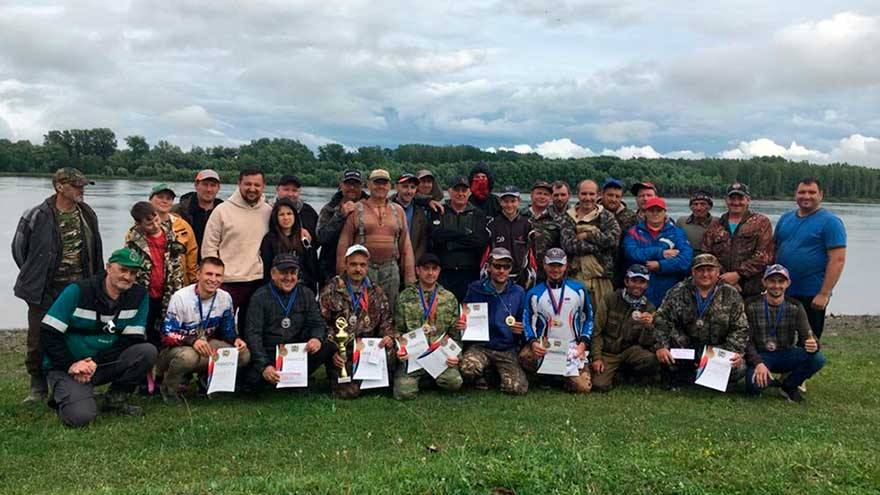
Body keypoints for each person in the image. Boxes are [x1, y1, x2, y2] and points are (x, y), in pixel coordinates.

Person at [13, 167, 103, 404]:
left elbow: (96, 250)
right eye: (76, 185)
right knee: (37, 338)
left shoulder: (87, 213)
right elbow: (19, 249)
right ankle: (37, 385)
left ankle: (75, 379)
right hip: (44, 289)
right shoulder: (36, 214)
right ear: (59, 186)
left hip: (78, 289)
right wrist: (36, 275)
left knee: (77, 335)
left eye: (83, 185)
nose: (81, 190)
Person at [41, 248, 157, 427]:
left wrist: (94, 362)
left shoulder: (139, 295)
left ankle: (116, 398)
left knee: (146, 351)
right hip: (68, 366)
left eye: (133, 273)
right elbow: (49, 333)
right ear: (108, 267)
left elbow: (132, 340)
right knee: (81, 418)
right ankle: (64, 393)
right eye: (123, 270)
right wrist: (72, 364)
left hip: (101, 364)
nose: (127, 277)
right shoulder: (78, 291)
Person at [158, 256, 250, 403]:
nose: (213, 279)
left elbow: (228, 330)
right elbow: (167, 334)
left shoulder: (225, 298)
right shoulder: (181, 297)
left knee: (243, 354)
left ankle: (207, 382)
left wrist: (235, 339)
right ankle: (168, 389)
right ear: (198, 274)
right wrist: (192, 341)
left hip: (205, 345)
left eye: (218, 275)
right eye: (209, 274)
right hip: (174, 350)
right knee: (189, 357)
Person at [653, 254, 749, 389]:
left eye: (710, 270)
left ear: (718, 272)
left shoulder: (731, 294)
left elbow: (740, 328)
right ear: (693, 272)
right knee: (664, 359)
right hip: (685, 347)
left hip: (715, 350)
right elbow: (661, 318)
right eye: (700, 270)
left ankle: (701, 377)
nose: (705, 274)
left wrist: (733, 352)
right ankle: (689, 376)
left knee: (739, 368)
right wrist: (662, 346)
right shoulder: (678, 291)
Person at [242, 254, 330, 392]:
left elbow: (317, 323)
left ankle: (298, 378)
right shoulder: (260, 297)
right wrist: (264, 365)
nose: (289, 278)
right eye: (284, 273)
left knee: (327, 344)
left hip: (298, 352)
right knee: (252, 384)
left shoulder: (306, 294)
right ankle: (276, 377)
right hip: (270, 352)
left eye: (293, 273)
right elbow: (253, 334)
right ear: (273, 273)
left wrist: (316, 338)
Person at [774, 178, 846, 340]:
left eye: (812, 192)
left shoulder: (831, 222)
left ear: (821, 195)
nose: (806, 196)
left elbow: (837, 260)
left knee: (808, 341)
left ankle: (808, 365)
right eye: (802, 192)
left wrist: (824, 293)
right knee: (780, 340)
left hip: (812, 293)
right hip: (782, 290)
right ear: (796, 195)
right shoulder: (785, 219)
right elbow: (775, 251)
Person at [201, 168, 272, 332]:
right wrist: (214, 277)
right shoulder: (222, 211)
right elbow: (209, 248)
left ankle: (248, 358)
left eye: (257, 185)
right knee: (219, 330)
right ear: (239, 183)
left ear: (263, 186)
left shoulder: (268, 211)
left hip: (257, 281)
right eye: (247, 184)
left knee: (251, 330)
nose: (252, 188)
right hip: (226, 282)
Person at [319, 245, 395, 399]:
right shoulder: (331, 289)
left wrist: (388, 337)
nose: (358, 269)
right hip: (343, 352)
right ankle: (352, 378)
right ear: (346, 264)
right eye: (353, 264)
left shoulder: (376, 292)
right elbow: (321, 324)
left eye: (362, 265)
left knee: (392, 354)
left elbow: (386, 321)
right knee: (348, 392)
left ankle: (375, 378)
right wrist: (332, 352)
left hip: (368, 351)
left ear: (367, 267)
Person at [744, 264, 825, 403]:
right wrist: (758, 363)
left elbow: (809, 336)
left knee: (818, 359)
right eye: (772, 281)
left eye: (781, 281)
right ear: (764, 282)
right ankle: (771, 381)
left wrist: (813, 344)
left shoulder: (795, 306)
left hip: (786, 353)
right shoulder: (750, 304)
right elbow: (745, 340)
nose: (776, 286)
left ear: (788, 283)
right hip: (762, 355)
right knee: (753, 387)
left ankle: (789, 385)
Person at [336, 169, 416, 309]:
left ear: (390, 186)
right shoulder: (356, 209)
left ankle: (388, 331)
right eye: (377, 182)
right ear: (369, 185)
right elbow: (343, 246)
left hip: (390, 269)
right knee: (362, 309)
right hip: (363, 269)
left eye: (384, 183)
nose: (381, 186)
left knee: (390, 310)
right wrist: (342, 278)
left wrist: (410, 280)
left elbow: (406, 248)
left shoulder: (398, 211)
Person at [520, 248, 593, 393]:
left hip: (572, 349)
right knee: (524, 357)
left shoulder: (578, 290)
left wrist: (583, 344)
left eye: (559, 265)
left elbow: (588, 318)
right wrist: (533, 342)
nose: (555, 269)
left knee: (583, 388)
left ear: (565, 266)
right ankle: (547, 376)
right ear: (544, 265)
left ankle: (560, 378)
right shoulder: (534, 293)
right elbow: (527, 321)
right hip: (545, 347)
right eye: (551, 265)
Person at [393, 253, 463, 400]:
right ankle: (424, 378)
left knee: (454, 383)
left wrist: (455, 355)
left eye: (434, 269)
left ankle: (430, 377)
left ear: (439, 271)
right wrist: (401, 350)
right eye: (426, 268)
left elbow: (455, 333)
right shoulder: (405, 297)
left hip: (440, 357)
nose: (430, 273)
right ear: (418, 270)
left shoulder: (449, 298)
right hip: (413, 358)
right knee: (403, 393)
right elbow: (398, 330)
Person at [460, 248, 529, 395]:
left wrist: (520, 330)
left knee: (517, 388)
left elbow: (524, 324)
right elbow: (465, 314)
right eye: (497, 266)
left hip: (505, 349)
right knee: (468, 368)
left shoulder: (518, 292)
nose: (502, 271)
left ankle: (492, 373)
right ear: (489, 267)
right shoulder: (475, 288)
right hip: (480, 347)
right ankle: (483, 373)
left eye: (506, 267)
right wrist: (463, 323)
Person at [590, 264, 659, 392]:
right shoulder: (609, 299)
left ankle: (628, 375)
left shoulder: (649, 308)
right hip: (608, 352)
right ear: (626, 281)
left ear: (647, 285)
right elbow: (597, 331)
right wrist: (597, 358)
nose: (637, 286)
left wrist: (648, 327)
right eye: (634, 281)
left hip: (629, 351)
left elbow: (645, 343)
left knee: (651, 360)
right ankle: (615, 374)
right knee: (599, 385)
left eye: (642, 282)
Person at [125, 201, 186, 345]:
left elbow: (177, 265)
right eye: (149, 223)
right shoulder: (133, 241)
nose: (155, 225)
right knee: (144, 327)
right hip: (144, 293)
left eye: (156, 220)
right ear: (139, 224)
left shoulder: (171, 236)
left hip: (168, 291)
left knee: (165, 329)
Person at [702, 183, 774, 299]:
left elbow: (765, 255)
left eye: (740, 198)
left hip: (751, 289)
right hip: (720, 287)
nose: (736, 202)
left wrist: (738, 275)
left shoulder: (761, 223)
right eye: (732, 198)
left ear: (748, 200)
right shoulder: (715, 226)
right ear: (726, 200)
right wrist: (724, 278)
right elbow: (707, 254)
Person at [564, 179, 621, 324]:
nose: (587, 198)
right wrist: (599, 244)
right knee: (574, 320)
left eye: (591, 194)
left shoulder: (606, 216)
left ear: (598, 195)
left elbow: (613, 241)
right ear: (578, 195)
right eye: (584, 193)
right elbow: (568, 245)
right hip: (575, 277)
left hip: (601, 278)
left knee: (602, 321)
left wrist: (587, 235)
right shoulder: (568, 217)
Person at [427, 175, 490, 302]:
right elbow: (436, 236)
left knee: (469, 316)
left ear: (469, 192)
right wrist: (465, 234)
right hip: (444, 274)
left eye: (464, 190)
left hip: (470, 274)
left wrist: (450, 242)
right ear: (449, 191)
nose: (460, 194)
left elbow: (479, 242)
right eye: (456, 190)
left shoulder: (478, 214)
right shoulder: (439, 211)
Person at [623, 197, 693, 307]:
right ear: (645, 212)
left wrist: (660, 266)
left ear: (665, 212)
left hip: (669, 291)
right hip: (639, 292)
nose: (655, 213)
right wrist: (660, 253)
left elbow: (685, 261)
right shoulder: (633, 232)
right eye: (651, 210)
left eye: (659, 210)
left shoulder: (677, 233)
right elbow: (632, 254)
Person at [316, 169, 367, 285]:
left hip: (361, 269)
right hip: (330, 270)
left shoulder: (370, 207)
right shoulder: (329, 209)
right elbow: (321, 237)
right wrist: (340, 216)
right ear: (341, 185)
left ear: (362, 186)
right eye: (348, 184)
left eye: (356, 184)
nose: (352, 188)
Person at [260, 197, 320, 293]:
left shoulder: (304, 238)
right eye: (281, 214)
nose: (286, 218)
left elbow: (311, 267)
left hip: (301, 288)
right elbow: (266, 269)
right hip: (277, 288)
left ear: (295, 216)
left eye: (289, 213)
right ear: (276, 217)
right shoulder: (269, 240)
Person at [148, 183, 198, 284]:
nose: (164, 200)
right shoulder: (141, 226)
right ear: (150, 200)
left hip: (177, 284)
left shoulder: (183, 226)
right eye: (160, 197)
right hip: (148, 284)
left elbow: (192, 255)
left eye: (169, 198)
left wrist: (193, 282)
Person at [486, 186, 534, 288]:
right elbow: (486, 253)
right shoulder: (492, 224)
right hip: (498, 276)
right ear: (500, 202)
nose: (509, 205)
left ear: (519, 201)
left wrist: (530, 274)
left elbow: (531, 253)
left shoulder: (527, 224)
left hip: (521, 277)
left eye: (513, 201)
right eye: (506, 201)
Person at [522, 180, 569, 283]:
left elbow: (564, 250)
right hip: (520, 273)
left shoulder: (558, 221)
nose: (542, 197)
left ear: (550, 198)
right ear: (531, 195)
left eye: (546, 194)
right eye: (539, 193)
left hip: (546, 276)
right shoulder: (519, 216)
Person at [600, 178, 638, 289]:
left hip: (621, 271)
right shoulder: (592, 213)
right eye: (610, 195)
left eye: (617, 196)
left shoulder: (630, 217)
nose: (613, 199)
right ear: (602, 194)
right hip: (598, 272)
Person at [173, 169, 223, 249]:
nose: (209, 189)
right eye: (205, 184)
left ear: (218, 188)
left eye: (213, 185)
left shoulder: (225, 212)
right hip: (186, 259)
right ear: (196, 185)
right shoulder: (178, 211)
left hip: (215, 260)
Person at [392, 173, 428, 262]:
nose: (409, 191)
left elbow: (423, 241)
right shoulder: (386, 207)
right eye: (405, 186)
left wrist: (414, 261)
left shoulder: (420, 212)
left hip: (412, 262)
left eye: (413, 187)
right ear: (396, 187)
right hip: (390, 263)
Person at [273, 174, 319, 241]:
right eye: (286, 189)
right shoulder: (269, 210)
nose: (290, 194)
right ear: (277, 189)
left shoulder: (308, 211)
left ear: (299, 192)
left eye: (294, 190)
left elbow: (318, 238)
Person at [676, 190, 715, 257]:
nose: (698, 208)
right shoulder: (681, 222)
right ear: (691, 207)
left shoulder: (717, 222)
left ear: (709, 207)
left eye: (703, 204)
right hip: (685, 260)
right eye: (695, 204)